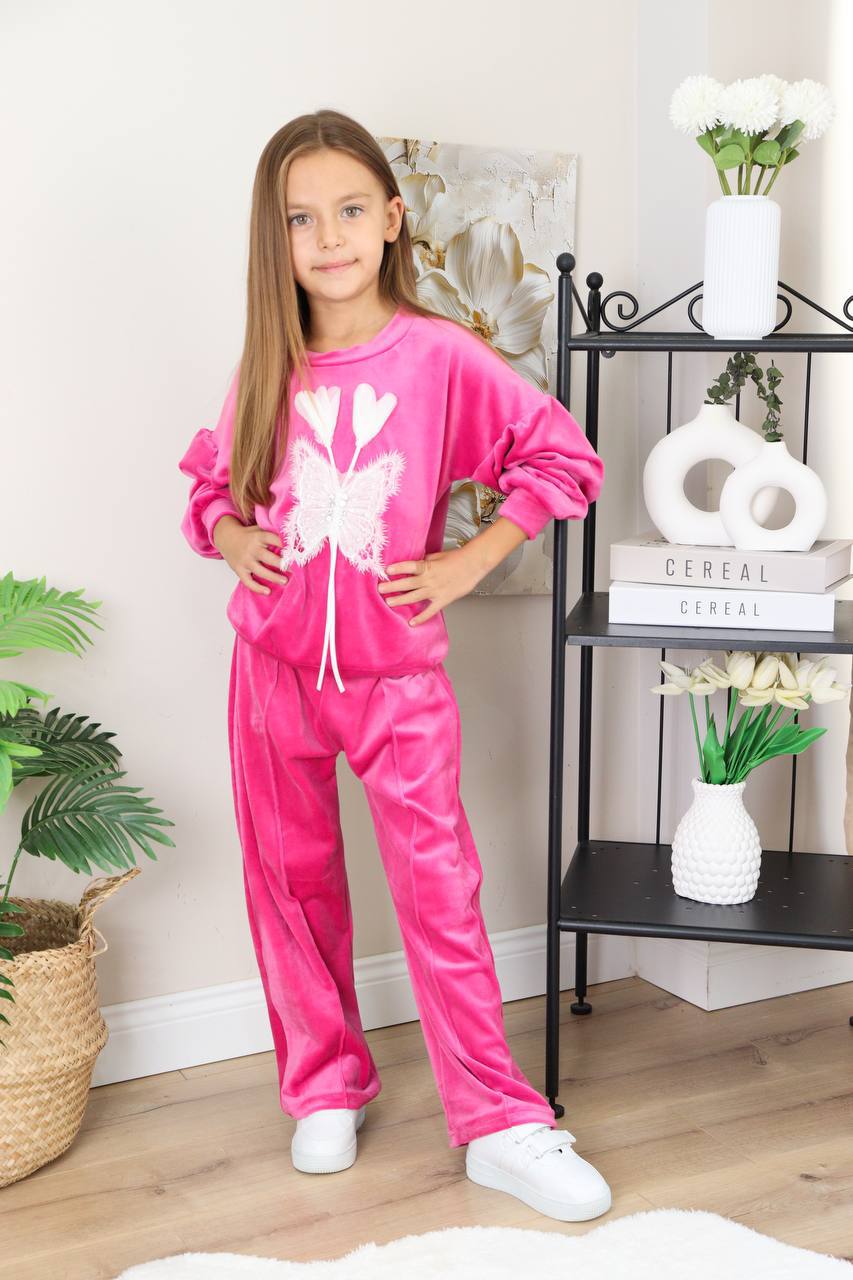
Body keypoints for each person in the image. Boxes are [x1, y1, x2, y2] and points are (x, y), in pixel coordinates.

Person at [178, 108, 610, 1224]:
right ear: (274, 238)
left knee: (439, 892)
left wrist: (467, 561)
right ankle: (323, 1082)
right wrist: (229, 534)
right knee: (290, 886)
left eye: (349, 210)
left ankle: (500, 1121)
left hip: (395, 681)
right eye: (299, 219)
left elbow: (558, 457)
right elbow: (213, 486)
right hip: (269, 673)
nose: (326, 237)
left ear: (391, 218)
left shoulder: (439, 356)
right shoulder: (267, 364)